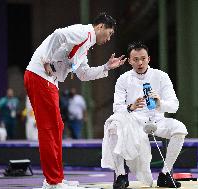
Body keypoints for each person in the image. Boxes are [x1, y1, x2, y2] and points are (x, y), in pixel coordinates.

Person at [24, 12, 126, 189]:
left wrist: (106, 67)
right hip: (40, 76)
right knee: (50, 129)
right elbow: (58, 34)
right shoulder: (83, 32)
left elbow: (84, 74)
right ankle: (52, 182)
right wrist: (46, 60)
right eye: (109, 33)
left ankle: (56, 179)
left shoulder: (84, 48)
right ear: (100, 27)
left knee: (57, 127)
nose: (109, 39)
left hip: (48, 80)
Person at [101, 42, 188, 188]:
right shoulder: (123, 79)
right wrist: (131, 107)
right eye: (135, 59)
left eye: (143, 58)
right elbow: (117, 107)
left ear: (149, 58)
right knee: (114, 126)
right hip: (132, 121)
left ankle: (165, 175)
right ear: (129, 61)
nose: (140, 63)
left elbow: (174, 105)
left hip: (157, 120)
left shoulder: (161, 76)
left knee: (180, 129)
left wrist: (160, 103)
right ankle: (121, 176)